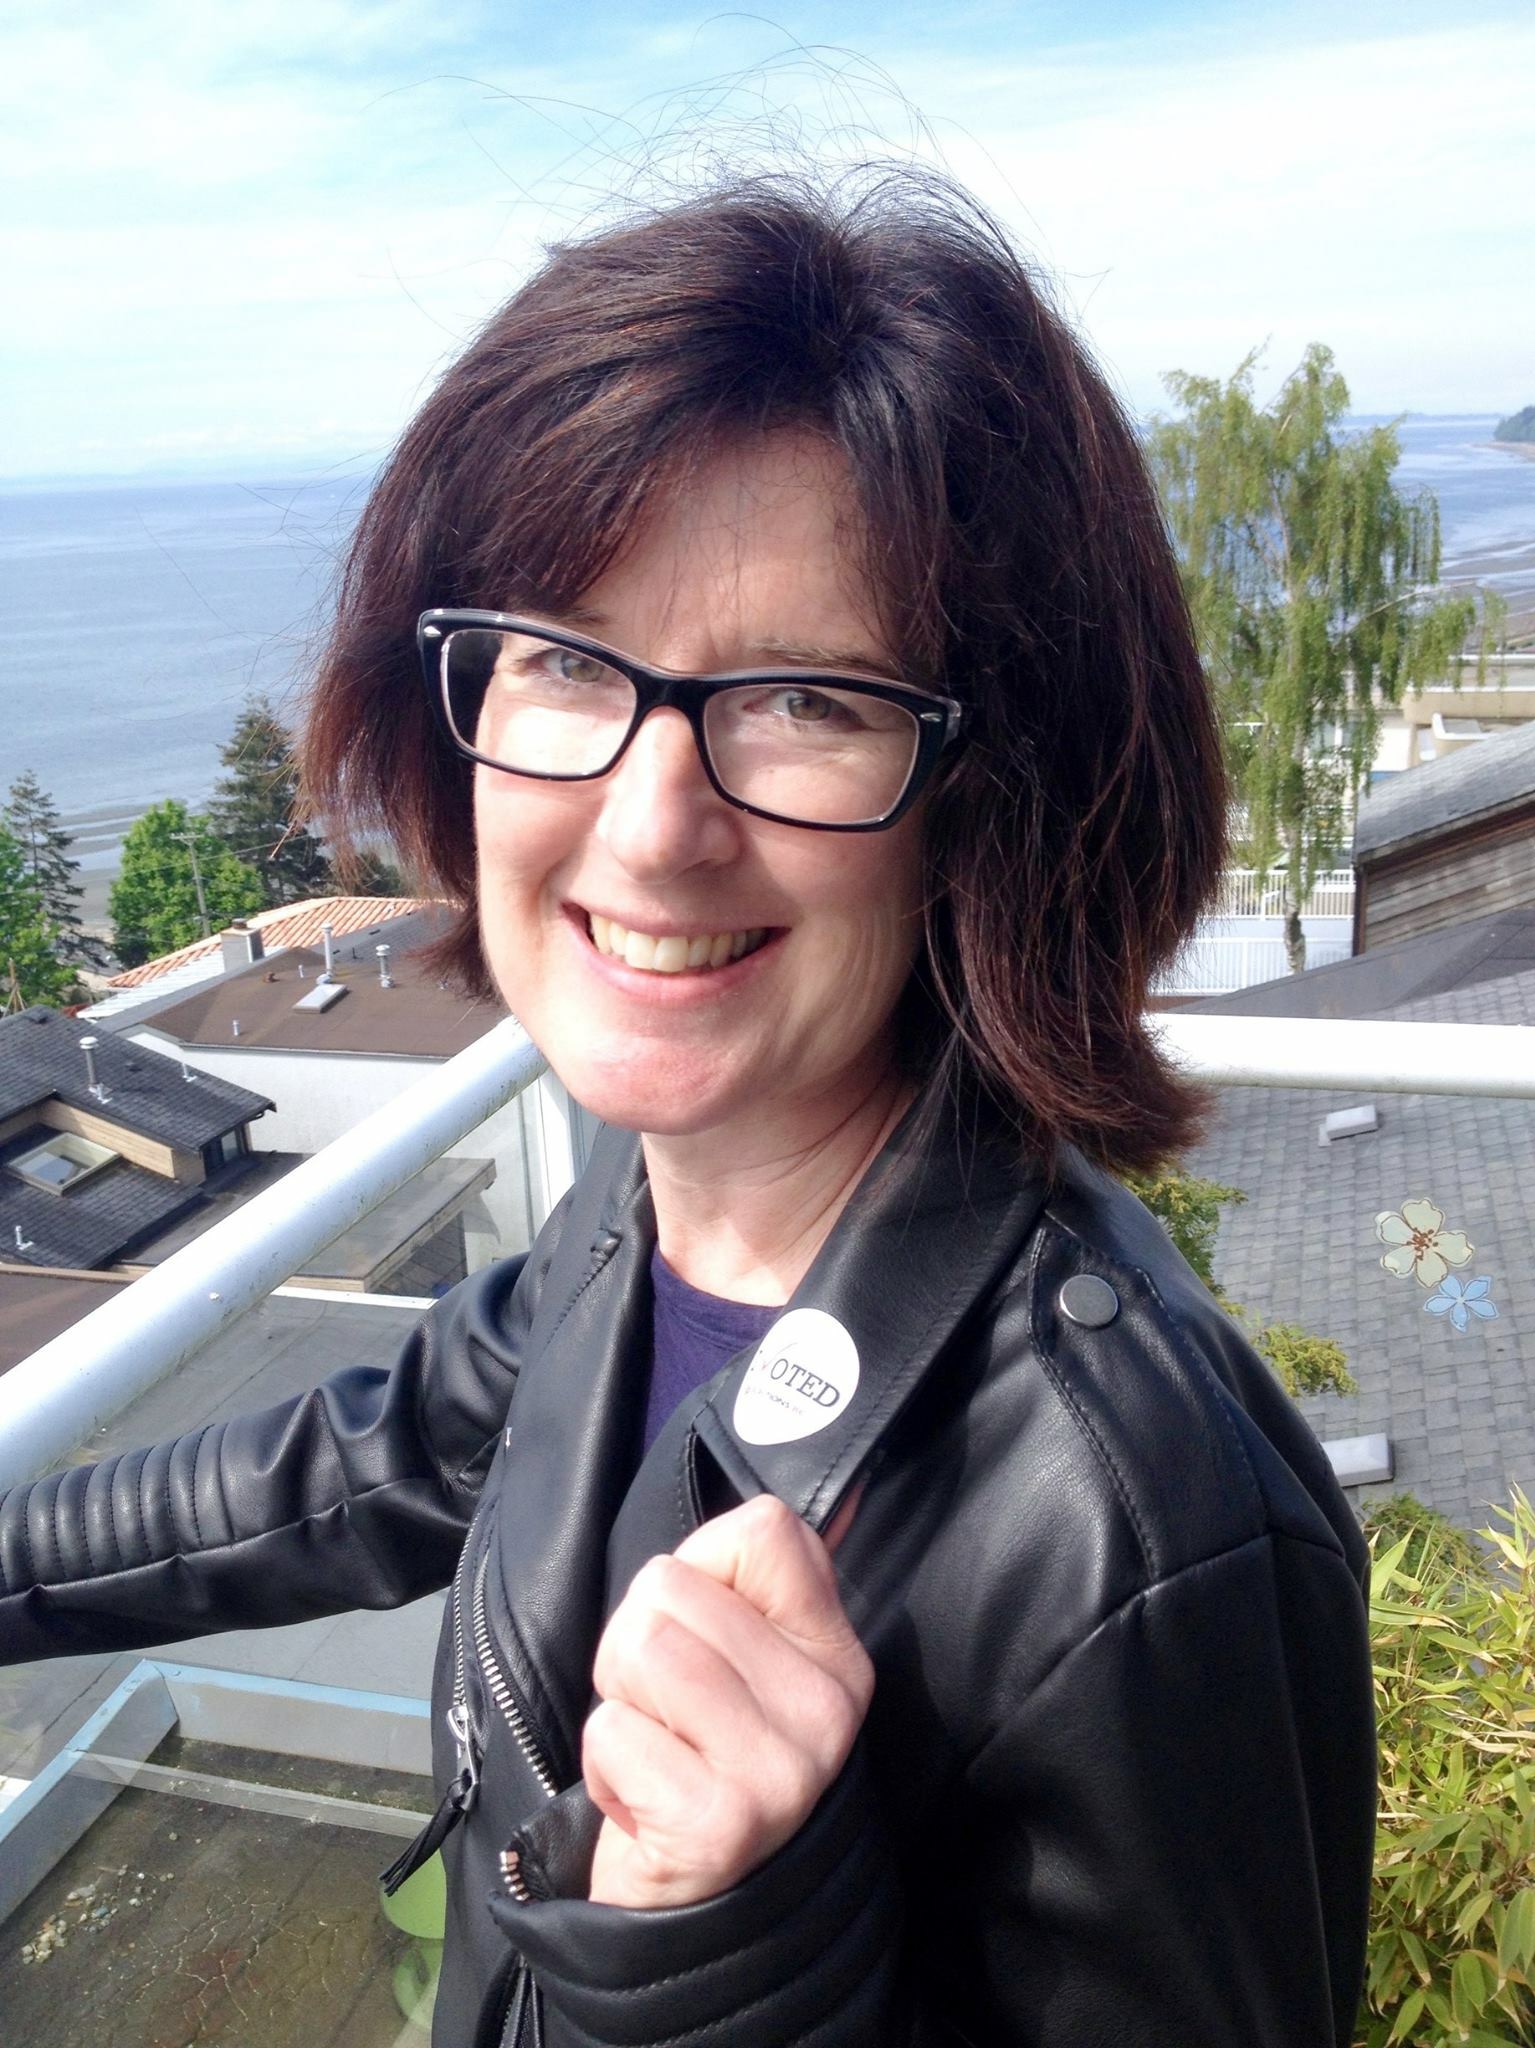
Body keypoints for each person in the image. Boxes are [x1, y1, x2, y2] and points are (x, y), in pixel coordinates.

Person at [0, 175, 1376, 2046]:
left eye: (807, 699)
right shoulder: (648, 1214)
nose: (653, 827)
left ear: (991, 800)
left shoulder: (1136, 1533)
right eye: (569, 662)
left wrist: (735, 1959)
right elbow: (365, 1463)